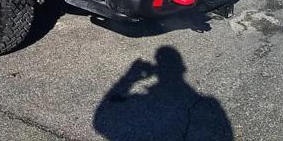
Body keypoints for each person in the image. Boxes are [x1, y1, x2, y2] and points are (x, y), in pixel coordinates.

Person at [93, 46, 233, 141]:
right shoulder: (210, 104)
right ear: (182, 68)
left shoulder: (208, 104)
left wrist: (129, 77)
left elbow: (100, 122)